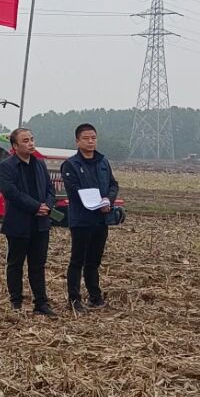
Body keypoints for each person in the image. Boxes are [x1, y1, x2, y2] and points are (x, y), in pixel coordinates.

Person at [60, 122, 120, 316]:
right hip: (81, 220)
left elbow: (113, 184)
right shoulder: (70, 165)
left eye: (93, 138)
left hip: (101, 219)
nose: (90, 141)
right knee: (77, 261)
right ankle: (74, 300)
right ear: (77, 141)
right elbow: (74, 191)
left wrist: (108, 200)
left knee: (94, 261)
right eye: (86, 138)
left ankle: (95, 296)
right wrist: (95, 203)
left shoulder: (103, 162)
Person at [0, 127, 56, 317]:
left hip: (41, 224)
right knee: (15, 264)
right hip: (18, 224)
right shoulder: (7, 166)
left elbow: (50, 189)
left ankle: (41, 303)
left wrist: (47, 205)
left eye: (32, 139)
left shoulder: (39, 164)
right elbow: (11, 192)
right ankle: (16, 302)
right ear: (15, 146)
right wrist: (36, 206)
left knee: (38, 265)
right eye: (25, 141)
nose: (30, 143)